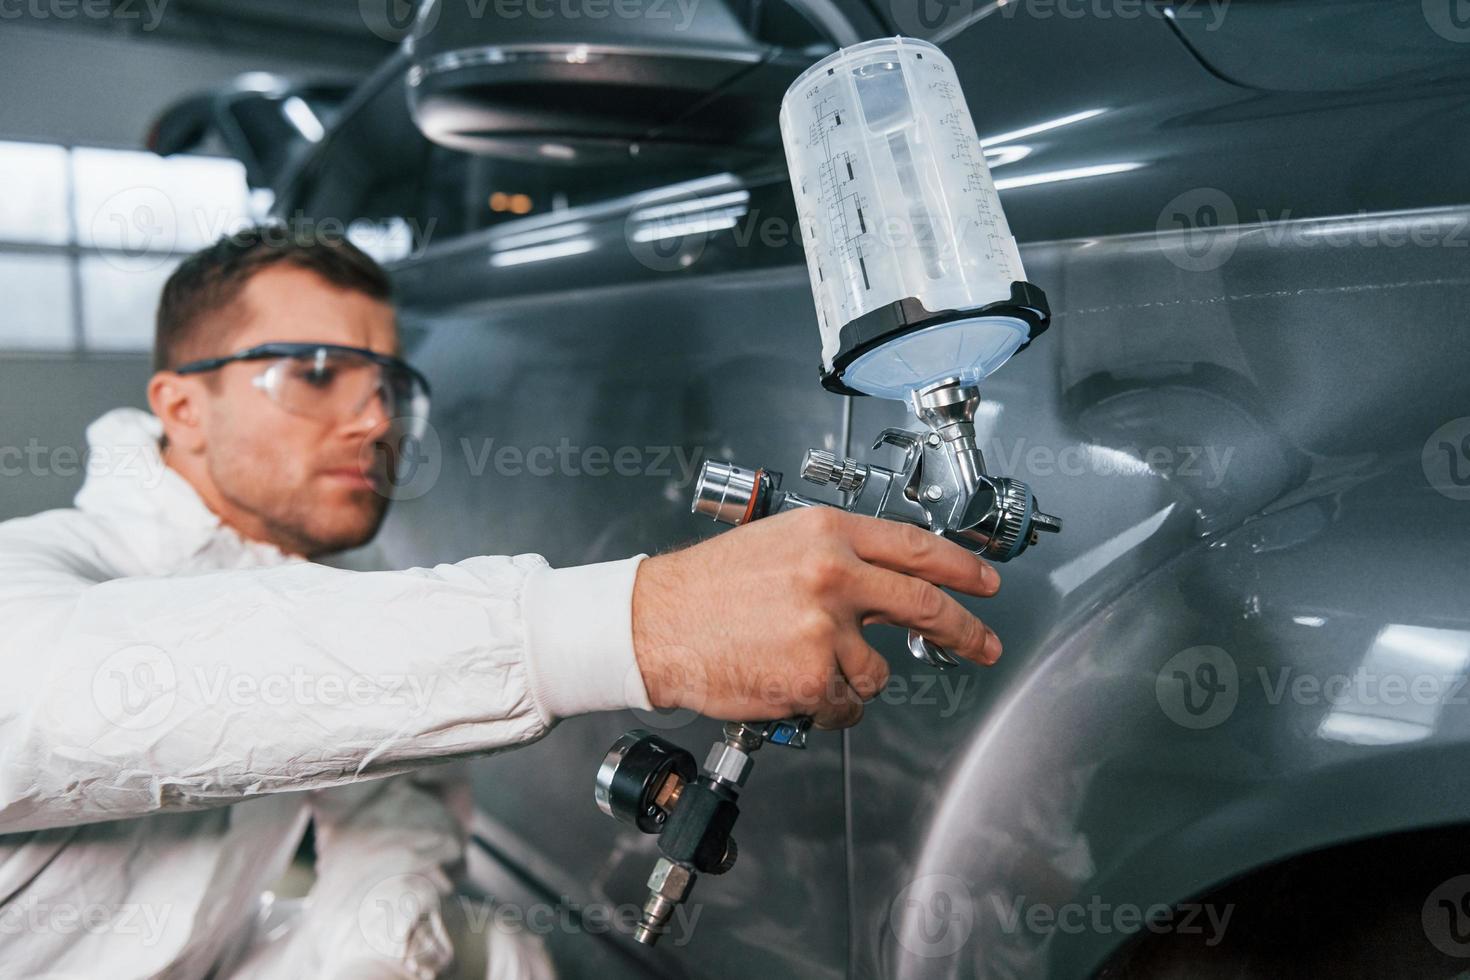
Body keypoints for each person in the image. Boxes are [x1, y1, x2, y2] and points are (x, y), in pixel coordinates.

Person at [0, 226, 1003, 979]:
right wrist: (639, 620)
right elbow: (107, 685)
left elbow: (394, 804)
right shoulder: (35, 574)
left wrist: (366, 951)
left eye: (390, 384)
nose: (373, 417)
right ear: (181, 404)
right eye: (314, 372)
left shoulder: (302, 597)